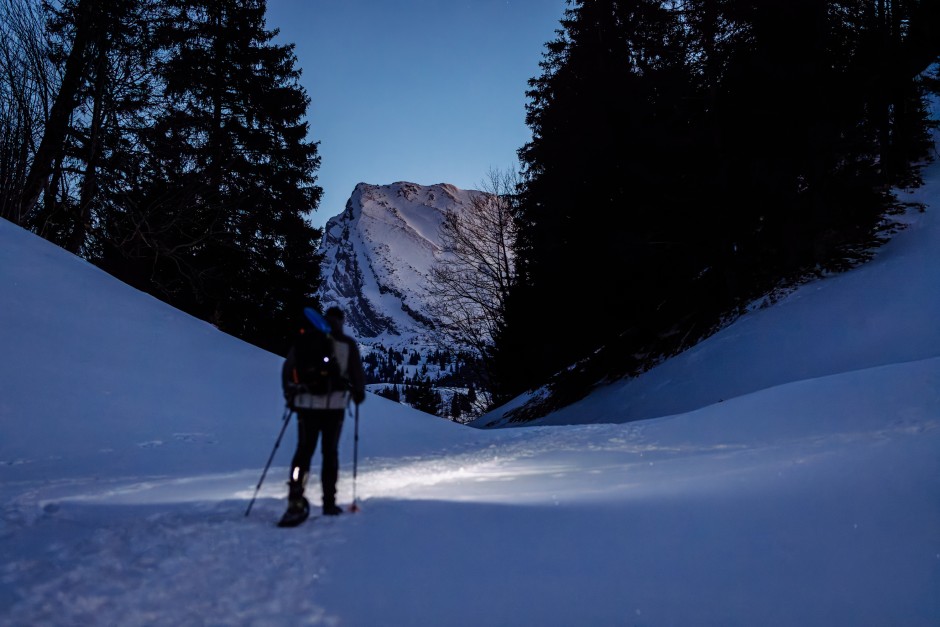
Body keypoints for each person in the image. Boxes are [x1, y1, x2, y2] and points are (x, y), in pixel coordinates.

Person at [281, 306, 365, 520]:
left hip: (306, 405)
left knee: (303, 452)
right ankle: (329, 502)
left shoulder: (306, 339)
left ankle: (295, 498)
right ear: (342, 321)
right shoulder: (347, 344)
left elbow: (288, 368)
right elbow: (357, 377)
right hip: (334, 408)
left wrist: (291, 395)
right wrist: (357, 394)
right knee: (330, 453)